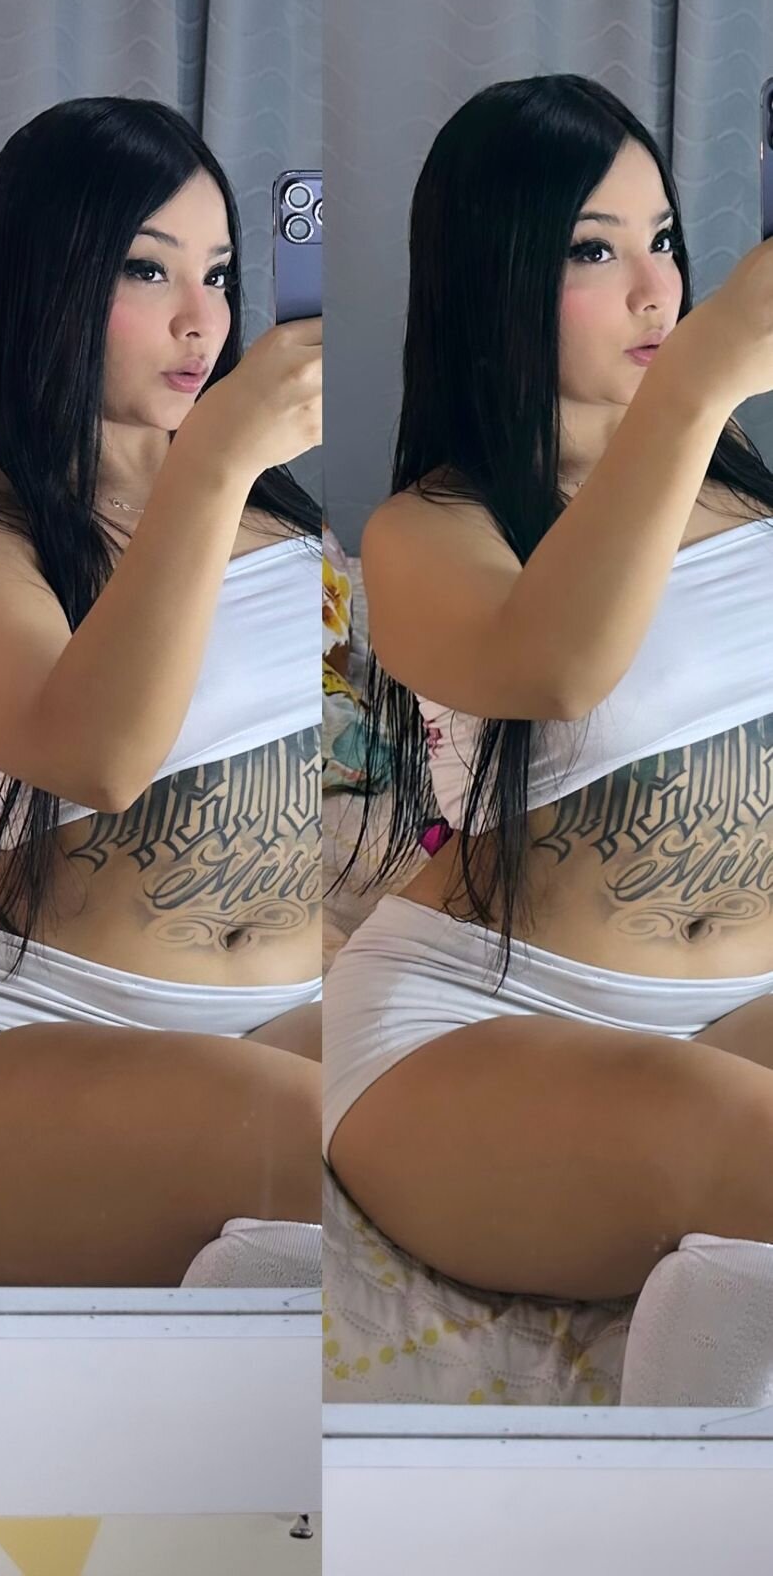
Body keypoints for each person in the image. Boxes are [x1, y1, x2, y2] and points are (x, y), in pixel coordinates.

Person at [323, 73, 773, 1304]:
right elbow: (564, 667)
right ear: (495, 275)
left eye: (664, 240)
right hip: (490, 1020)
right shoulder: (429, 532)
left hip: (740, 999)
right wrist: (701, 379)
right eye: (592, 249)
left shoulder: (741, 480)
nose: (655, 290)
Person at [0, 97, 323, 1287]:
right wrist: (217, 460)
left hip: (276, 1008)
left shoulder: (290, 532)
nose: (201, 319)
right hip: (22, 1029)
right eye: (147, 268)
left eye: (220, 274)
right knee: (316, 1147)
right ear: (49, 281)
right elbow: (103, 756)